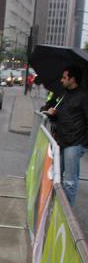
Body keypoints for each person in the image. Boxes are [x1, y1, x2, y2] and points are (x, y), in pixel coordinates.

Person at [45, 65, 88, 205]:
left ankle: (66, 217)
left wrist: (83, 143)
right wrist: (52, 115)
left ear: (72, 79)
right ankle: (56, 208)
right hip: (60, 141)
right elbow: (61, 116)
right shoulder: (63, 94)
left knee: (70, 181)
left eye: (64, 77)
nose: (61, 80)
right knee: (57, 177)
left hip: (74, 143)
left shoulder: (83, 96)